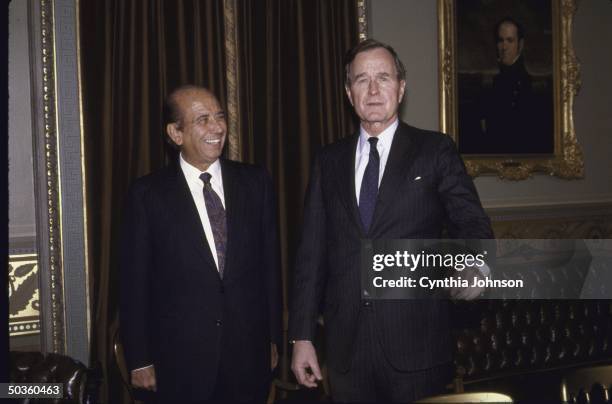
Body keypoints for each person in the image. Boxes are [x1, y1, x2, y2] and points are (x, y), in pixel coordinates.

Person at [289, 39, 494, 402]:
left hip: (416, 344)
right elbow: (311, 254)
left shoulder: (435, 151)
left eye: (383, 77)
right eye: (361, 79)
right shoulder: (328, 161)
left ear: (401, 87)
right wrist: (302, 336)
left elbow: (472, 223)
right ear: (348, 93)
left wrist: (473, 266)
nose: (372, 89)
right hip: (346, 349)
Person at [120, 85, 281, 403]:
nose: (217, 127)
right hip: (181, 363)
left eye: (219, 117)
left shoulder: (255, 183)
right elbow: (133, 284)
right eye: (203, 120)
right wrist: (139, 359)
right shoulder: (147, 195)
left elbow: (271, 268)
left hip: (248, 357)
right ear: (175, 133)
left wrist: (273, 339)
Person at [481, 17, 552, 154]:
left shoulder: (530, 85)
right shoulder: (493, 84)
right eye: (500, 41)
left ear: (520, 44)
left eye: (510, 40)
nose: (504, 47)